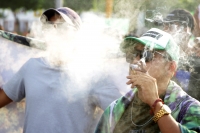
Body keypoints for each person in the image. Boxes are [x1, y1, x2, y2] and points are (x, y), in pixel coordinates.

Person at [0, 7, 122, 133]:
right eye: (48, 26)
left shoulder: (93, 75)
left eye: (62, 27)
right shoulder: (31, 67)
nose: (54, 31)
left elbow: (126, 115)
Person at [94, 28, 200, 133]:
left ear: (170, 67)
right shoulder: (115, 109)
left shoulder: (190, 109)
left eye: (147, 55)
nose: (137, 61)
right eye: (134, 54)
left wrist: (155, 103)